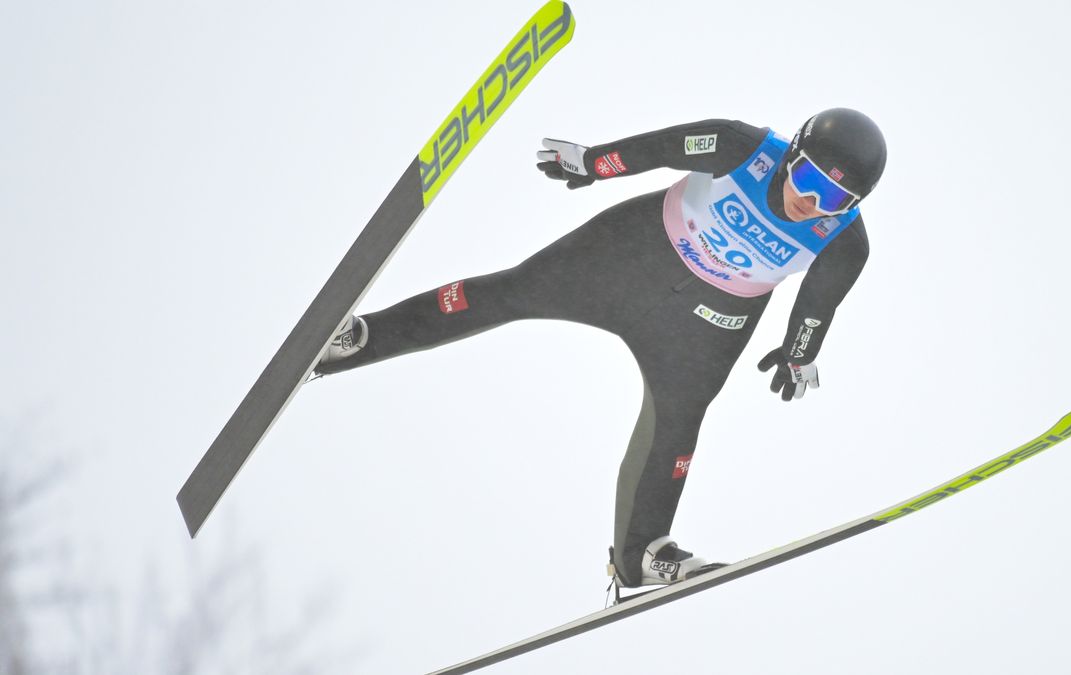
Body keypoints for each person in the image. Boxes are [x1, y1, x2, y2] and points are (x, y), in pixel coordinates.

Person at [314, 108, 887, 588]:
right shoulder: (743, 147)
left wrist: (798, 352)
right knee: (508, 293)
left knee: (679, 422)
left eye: (835, 198)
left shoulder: (844, 241)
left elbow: (817, 304)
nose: (811, 202)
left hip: (709, 320)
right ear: (792, 156)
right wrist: (592, 163)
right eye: (809, 180)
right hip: (628, 257)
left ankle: (642, 554)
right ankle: (359, 340)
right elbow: (662, 148)